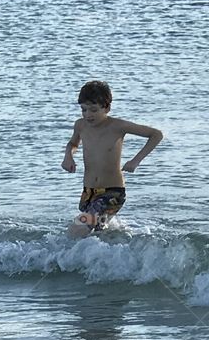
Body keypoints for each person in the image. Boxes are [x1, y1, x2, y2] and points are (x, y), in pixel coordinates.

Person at [62, 80, 163, 237]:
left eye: (93, 110)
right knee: (94, 233)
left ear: (107, 107)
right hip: (89, 192)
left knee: (77, 228)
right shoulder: (80, 125)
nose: (88, 115)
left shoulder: (118, 126)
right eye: (84, 110)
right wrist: (68, 156)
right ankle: (109, 255)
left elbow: (156, 134)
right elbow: (73, 143)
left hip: (112, 192)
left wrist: (135, 161)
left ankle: (62, 258)